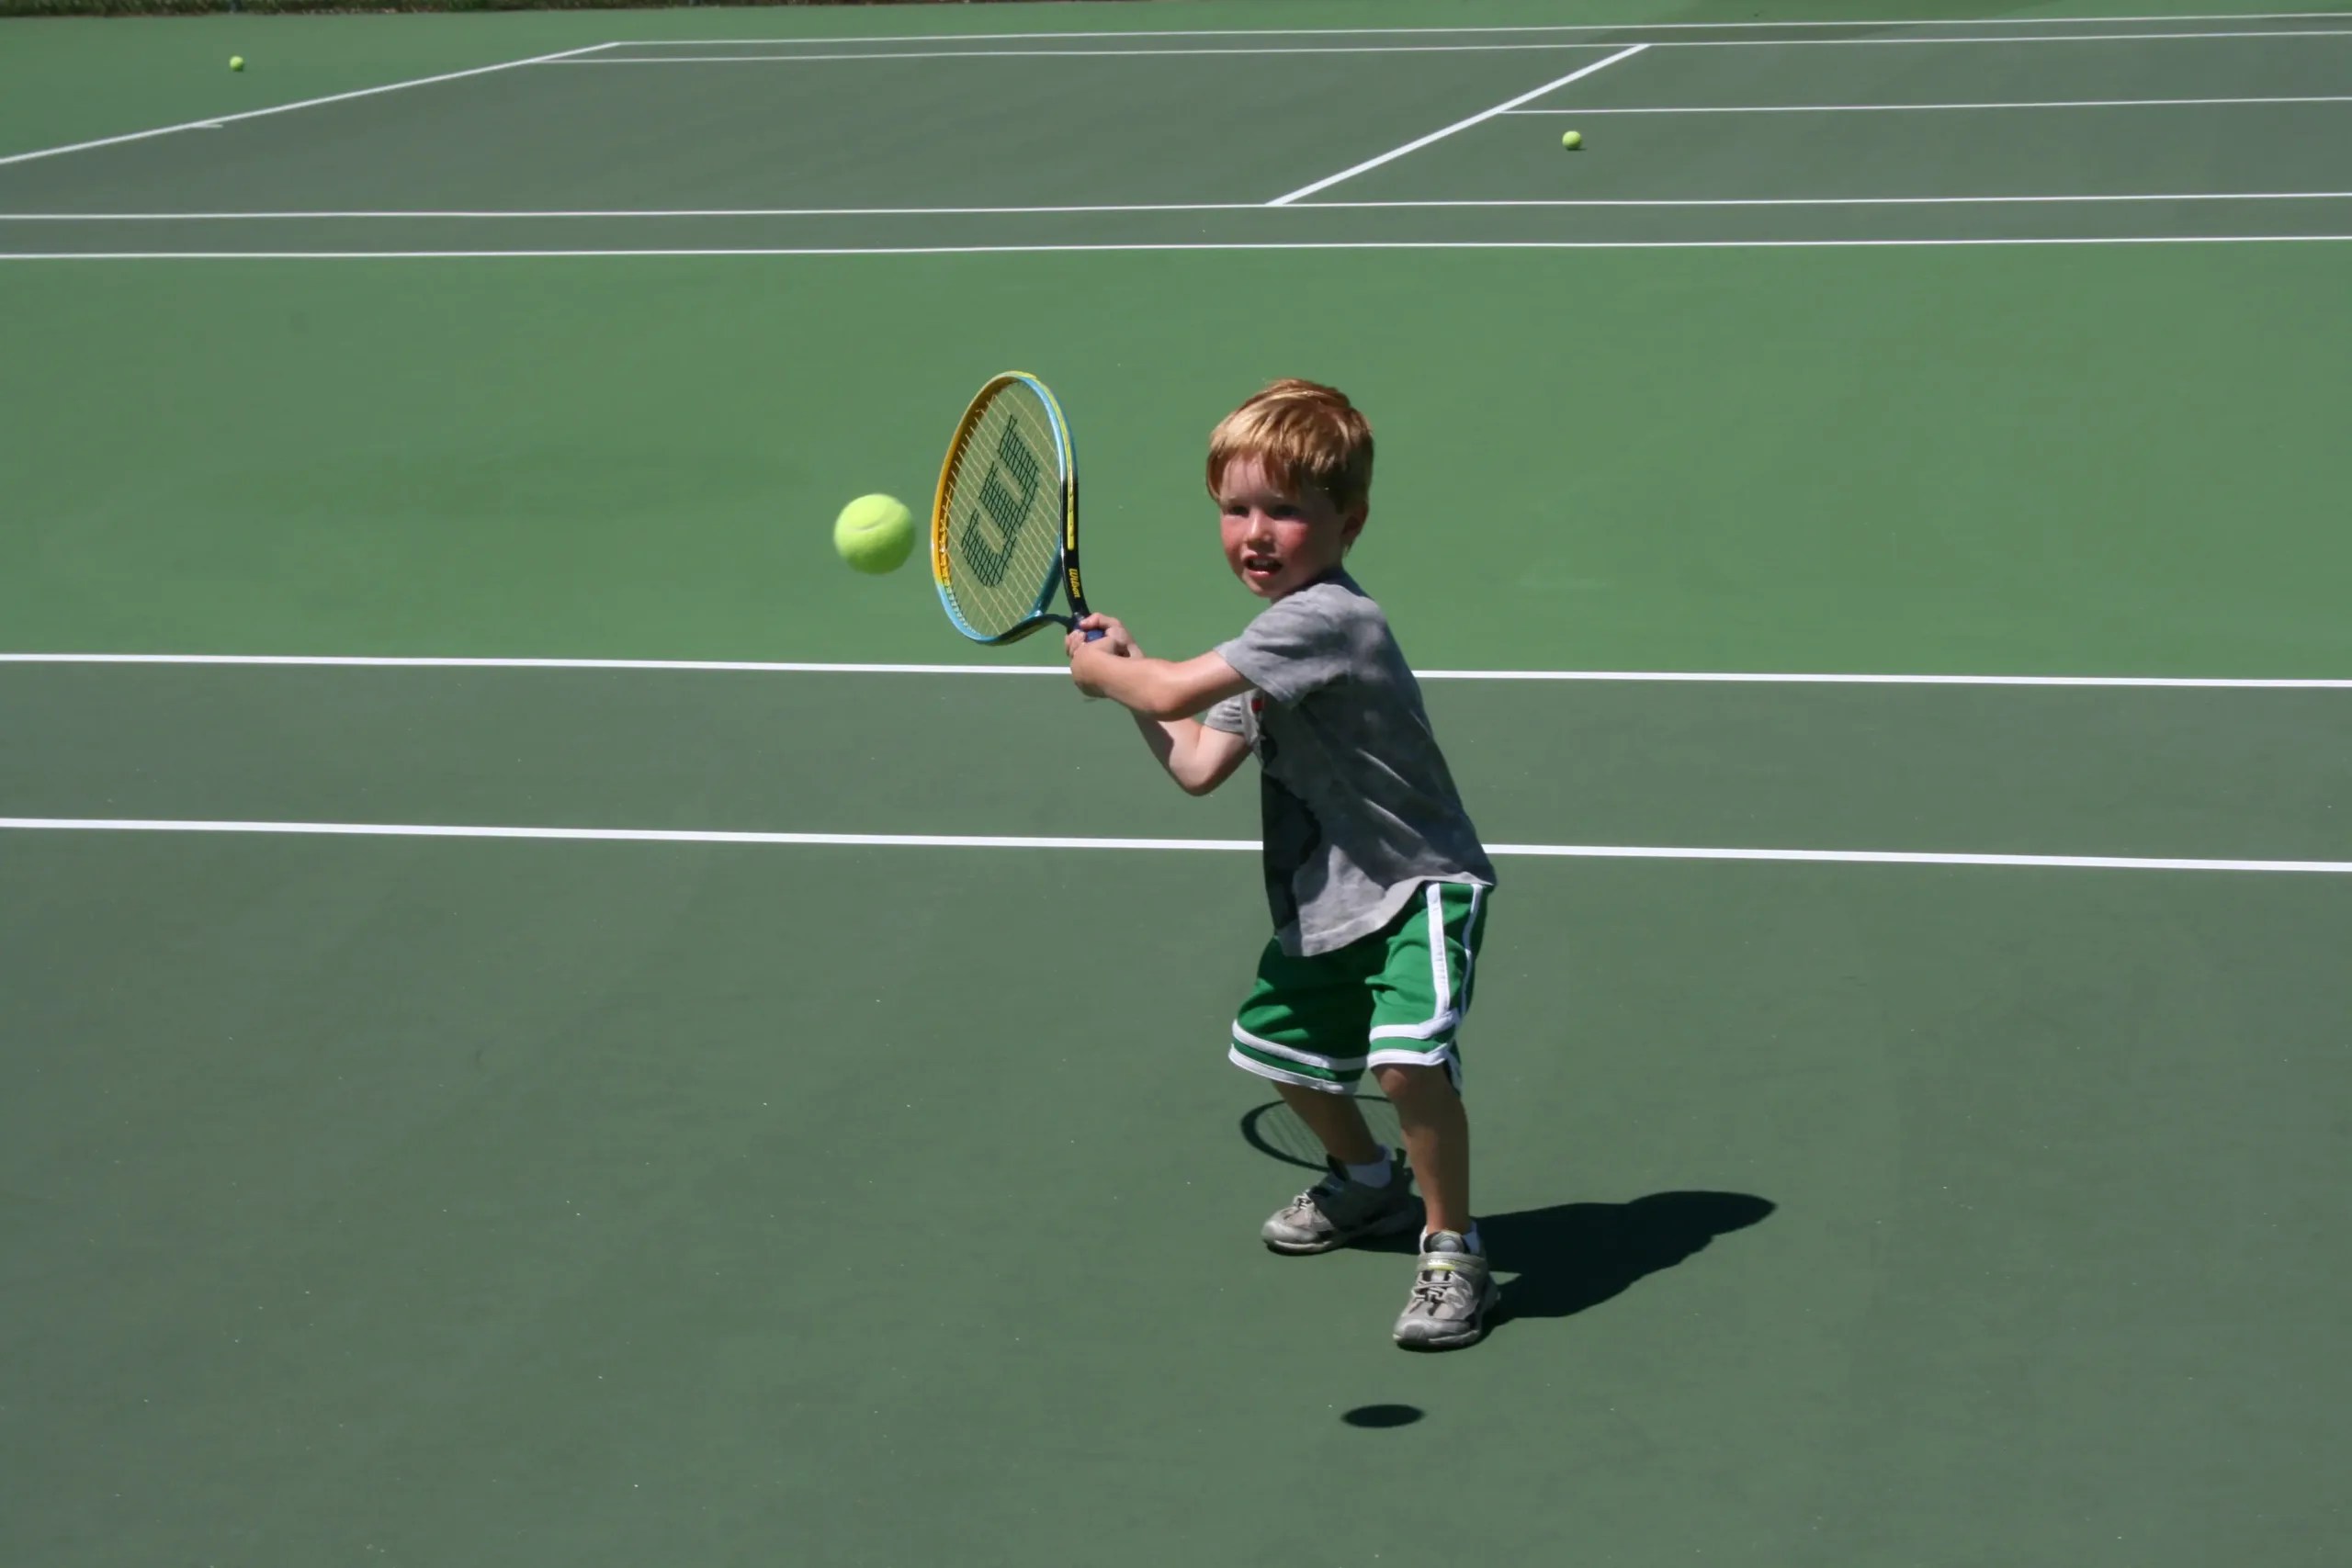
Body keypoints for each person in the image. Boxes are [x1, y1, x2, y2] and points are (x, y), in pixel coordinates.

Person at [1064, 378, 1500, 1349]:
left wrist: (1117, 674)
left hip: (1419, 882)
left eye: (1285, 512)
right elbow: (1196, 761)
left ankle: (1452, 1249)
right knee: (1279, 1057)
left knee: (1403, 1063)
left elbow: (1176, 684)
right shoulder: (1269, 649)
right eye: (1235, 509)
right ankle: (1366, 1184)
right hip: (1327, 896)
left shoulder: (1327, 622)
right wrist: (1137, 684)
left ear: (1349, 521)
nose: (1255, 533)